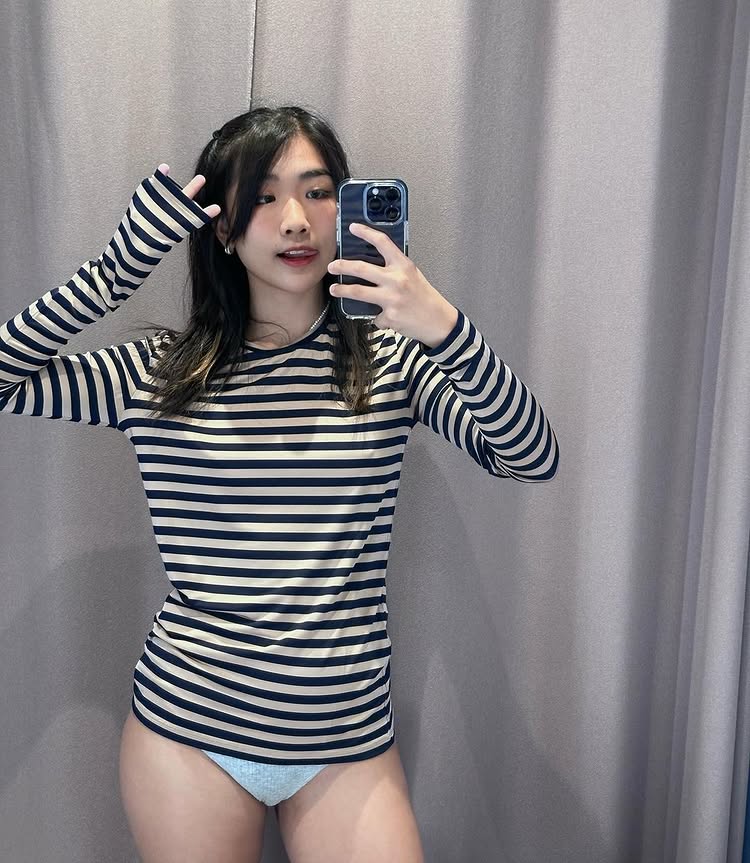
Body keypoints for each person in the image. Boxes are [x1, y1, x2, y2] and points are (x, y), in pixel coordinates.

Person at [0, 105, 559, 863]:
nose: (296, 219)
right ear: (222, 231)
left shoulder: (393, 364)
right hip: (188, 734)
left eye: (318, 191)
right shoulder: (154, 374)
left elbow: (529, 455)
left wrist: (444, 327)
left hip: (347, 743)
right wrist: (117, 269)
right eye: (263, 197)